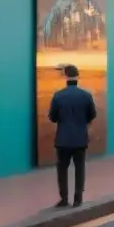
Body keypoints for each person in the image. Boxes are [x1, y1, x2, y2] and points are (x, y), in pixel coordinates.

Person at [48, 64, 97, 208]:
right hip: (80, 138)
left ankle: (64, 198)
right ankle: (78, 198)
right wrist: (83, 122)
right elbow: (92, 115)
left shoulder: (58, 96)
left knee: (62, 169)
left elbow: (52, 117)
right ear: (77, 77)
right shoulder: (86, 96)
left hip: (62, 139)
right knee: (80, 168)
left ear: (65, 77)